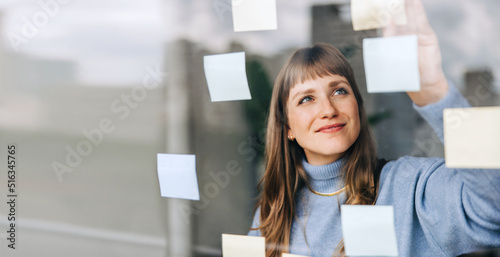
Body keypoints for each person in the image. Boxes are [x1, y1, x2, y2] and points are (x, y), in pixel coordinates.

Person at [247, 0, 500, 256]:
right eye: (306, 99)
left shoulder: (407, 187)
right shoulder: (273, 211)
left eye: (339, 91)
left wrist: (435, 92)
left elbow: (494, 209)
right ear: (288, 127)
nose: (328, 109)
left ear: (357, 105)